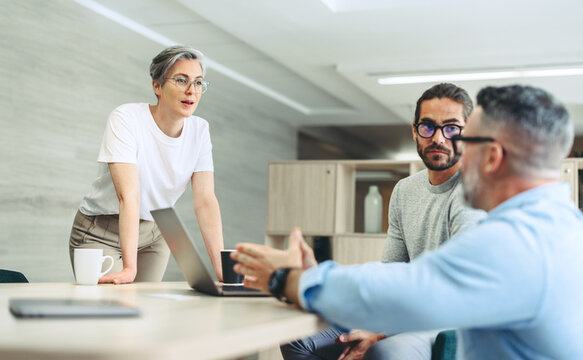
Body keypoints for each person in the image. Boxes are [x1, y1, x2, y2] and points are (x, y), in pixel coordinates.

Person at [234, 85, 583, 359]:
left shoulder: (515, 242)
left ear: (491, 156)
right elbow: (396, 274)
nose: (454, 149)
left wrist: (288, 279)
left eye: (464, 139)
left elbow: (414, 289)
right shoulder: (562, 227)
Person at [281, 83, 486, 360]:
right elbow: (391, 271)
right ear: (414, 130)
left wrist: (382, 331)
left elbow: (453, 287)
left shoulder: (474, 190)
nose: (438, 138)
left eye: (451, 128)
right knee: (297, 340)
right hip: (402, 308)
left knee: (383, 352)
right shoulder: (404, 190)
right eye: (428, 127)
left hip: (448, 318)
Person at [69, 45, 224, 285]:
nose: (191, 91)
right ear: (157, 86)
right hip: (102, 231)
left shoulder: (200, 130)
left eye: (197, 82)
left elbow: (205, 201)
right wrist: (130, 268)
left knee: (146, 304)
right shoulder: (126, 118)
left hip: (156, 232)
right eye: (181, 80)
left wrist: (222, 269)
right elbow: (129, 195)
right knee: (114, 303)